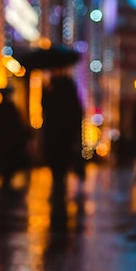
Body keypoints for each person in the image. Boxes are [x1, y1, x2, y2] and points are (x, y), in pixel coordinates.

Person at [41, 67, 84, 195]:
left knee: (60, 155)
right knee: (56, 155)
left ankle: (59, 178)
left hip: (62, 129)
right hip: (57, 129)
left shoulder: (67, 87)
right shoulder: (51, 86)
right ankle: (58, 177)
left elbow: (75, 109)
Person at [0, 90, 28, 187]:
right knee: (7, 160)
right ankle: (6, 177)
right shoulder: (11, 108)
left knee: (5, 160)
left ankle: (5, 177)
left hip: (3, 141)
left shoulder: (0, 109)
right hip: (8, 141)